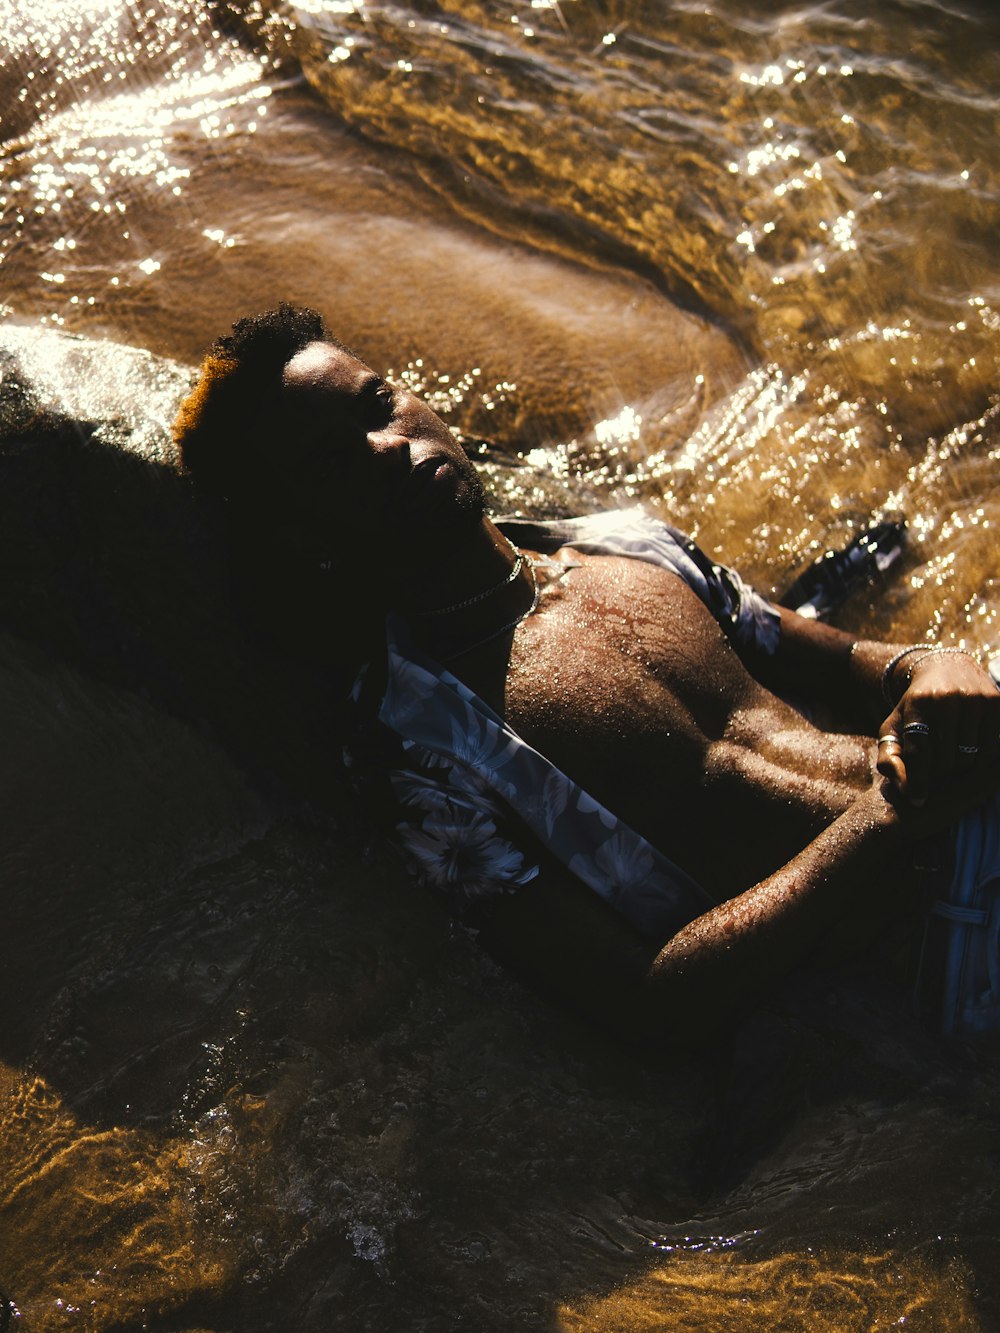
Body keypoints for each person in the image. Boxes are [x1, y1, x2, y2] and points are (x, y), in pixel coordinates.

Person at [174, 304, 1000, 1044]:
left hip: (969, 793)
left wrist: (928, 662)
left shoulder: (622, 542)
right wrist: (885, 819)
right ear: (301, 536)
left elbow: (825, 652)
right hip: (945, 946)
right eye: (331, 463)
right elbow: (642, 1002)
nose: (388, 446)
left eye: (379, 403)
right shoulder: (419, 747)